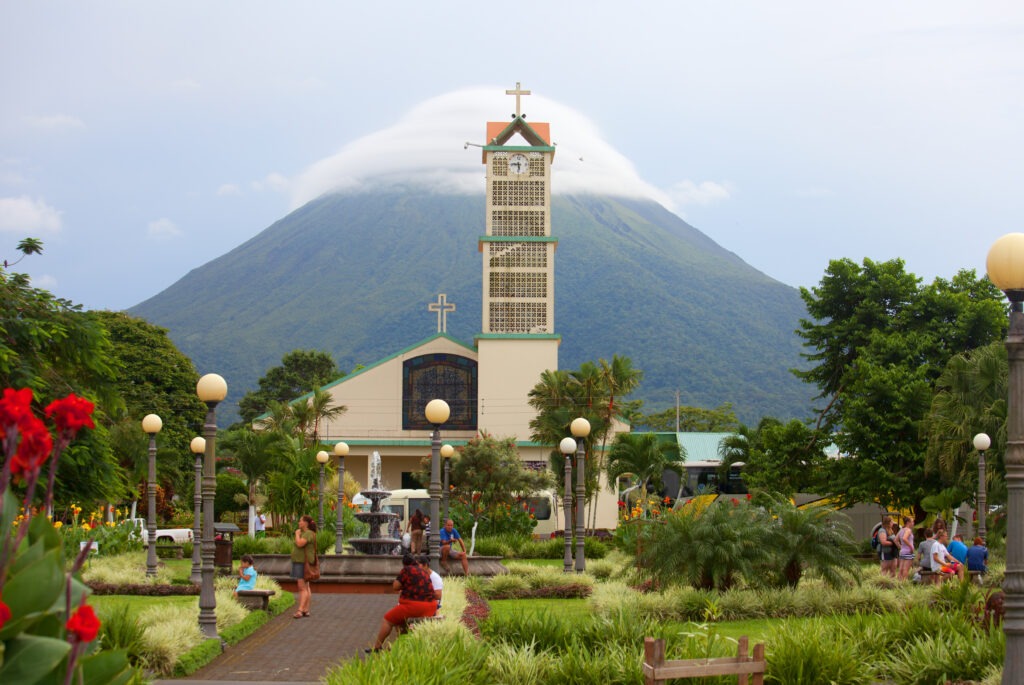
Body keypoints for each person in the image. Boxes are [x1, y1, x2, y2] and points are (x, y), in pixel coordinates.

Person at [365, 553, 437, 652]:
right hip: (431, 606)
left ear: (404, 564)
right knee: (401, 621)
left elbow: (395, 587)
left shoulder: (406, 570)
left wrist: (403, 585)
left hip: (415, 606)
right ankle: (403, 645)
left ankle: (377, 647)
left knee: (388, 619)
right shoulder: (424, 571)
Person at [291, 515, 317, 619]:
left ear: (306, 523)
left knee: (302, 588)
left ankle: (300, 610)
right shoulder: (305, 533)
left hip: (302, 563)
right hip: (301, 562)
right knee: (306, 587)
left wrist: (297, 534)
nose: (299, 522)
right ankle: (305, 609)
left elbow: (300, 544)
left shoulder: (308, 533)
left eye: (300, 521)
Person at [895, 515, 916, 581]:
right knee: (906, 569)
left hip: (902, 552)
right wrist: (911, 547)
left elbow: (895, 540)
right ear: (908, 522)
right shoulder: (908, 530)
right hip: (908, 552)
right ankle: (904, 582)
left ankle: (899, 582)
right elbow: (904, 538)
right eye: (912, 522)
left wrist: (901, 547)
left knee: (901, 569)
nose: (913, 523)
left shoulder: (901, 530)